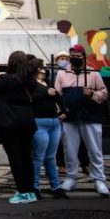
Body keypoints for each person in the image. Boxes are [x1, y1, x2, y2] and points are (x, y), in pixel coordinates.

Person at [0, 51, 38, 204]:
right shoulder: (30, 80)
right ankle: (30, 191)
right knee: (26, 157)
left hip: (8, 124)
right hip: (27, 123)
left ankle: (22, 191)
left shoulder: (4, 79)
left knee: (15, 158)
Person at [55, 45, 109, 197]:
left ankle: (99, 179)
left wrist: (92, 94)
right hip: (70, 118)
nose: (74, 58)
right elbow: (57, 96)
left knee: (95, 150)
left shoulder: (94, 74)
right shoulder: (62, 74)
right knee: (70, 150)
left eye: (78, 56)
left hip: (90, 117)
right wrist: (60, 111)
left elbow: (104, 93)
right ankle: (71, 177)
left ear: (84, 56)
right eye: (72, 55)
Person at [30, 59, 68, 199]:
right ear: (36, 69)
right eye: (42, 67)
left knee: (51, 156)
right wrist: (47, 93)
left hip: (54, 122)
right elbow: (31, 99)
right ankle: (35, 186)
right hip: (39, 122)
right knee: (39, 157)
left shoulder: (49, 83)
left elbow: (58, 98)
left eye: (45, 67)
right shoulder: (32, 84)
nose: (44, 69)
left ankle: (55, 186)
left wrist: (64, 111)